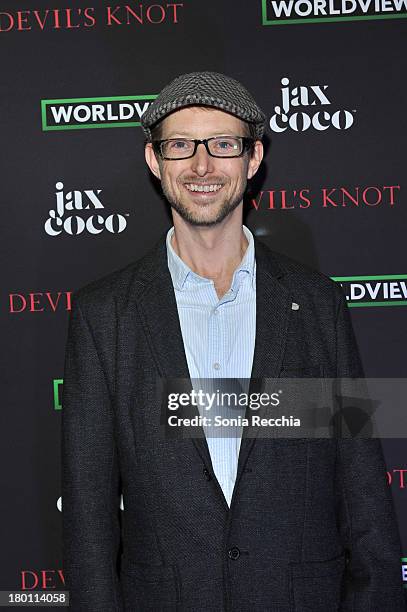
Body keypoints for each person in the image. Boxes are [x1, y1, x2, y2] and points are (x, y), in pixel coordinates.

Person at [61, 71, 406, 611]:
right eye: (181, 145)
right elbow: (88, 518)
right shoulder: (104, 316)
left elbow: (364, 498)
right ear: (155, 162)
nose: (202, 166)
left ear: (253, 158)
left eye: (223, 144)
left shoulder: (317, 306)